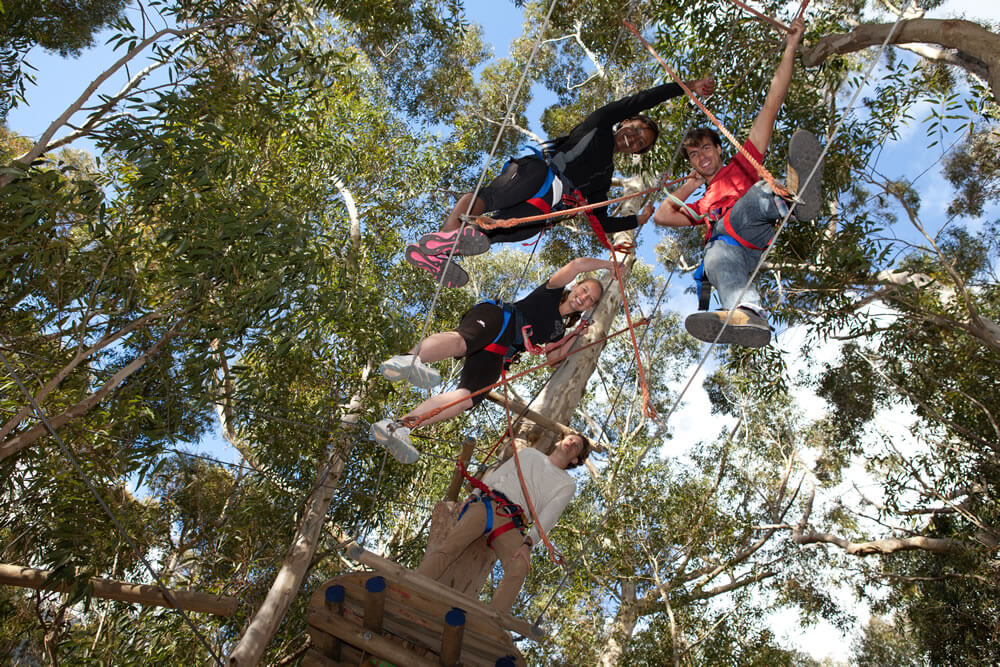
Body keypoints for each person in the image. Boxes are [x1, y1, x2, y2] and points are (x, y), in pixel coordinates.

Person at [405, 78, 716, 288]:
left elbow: (599, 219)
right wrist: (687, 87)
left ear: (635, 152)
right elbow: (644, 98)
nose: (633, 139)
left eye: (639, 143)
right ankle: (443, 236)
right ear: (625, 122)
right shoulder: (600, 123)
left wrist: (638, 219)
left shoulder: (604, 176)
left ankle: (437, 254)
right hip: (540, 171)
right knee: (492, 197)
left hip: (551, 208)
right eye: (634, 130)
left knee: (501, 231)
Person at [652, 16, 823, 348]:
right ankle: (749, 315)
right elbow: (662, 216)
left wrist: (790, 47)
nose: (701, 156)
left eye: (705, 148)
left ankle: (789, 198)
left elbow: (772, 103)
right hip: (734, 249)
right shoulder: (701, 205)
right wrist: (691, 182)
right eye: (693, 155)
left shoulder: (742, 163)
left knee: (758, 193)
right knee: (714, 258)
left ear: (718, 149)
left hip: (754, 220)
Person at [371, 257, 614, 463]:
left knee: (468, 397)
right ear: (575, 286)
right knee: (462, 342)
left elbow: (554, 359)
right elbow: (577, 264)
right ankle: (410, 359)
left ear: (589, 307)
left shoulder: (558, 330)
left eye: (590, 299)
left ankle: (400, 426)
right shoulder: (550, 292)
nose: (584, 297)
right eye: (584, 290)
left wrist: (575, 334)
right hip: (499, 318)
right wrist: (608, 265)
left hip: (501, 352)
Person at [417, 432, 591, 614]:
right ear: (558, 441)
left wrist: (528, 543)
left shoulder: (566, 484)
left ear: (575, 460)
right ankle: (415, 583)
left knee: (520, 567)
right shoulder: (529, 454)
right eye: (570, 439)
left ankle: (490, 623)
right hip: (488, 504)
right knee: (450, 546)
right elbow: (498, 475)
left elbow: (549, 515)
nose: (571, 444)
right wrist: (473, 495)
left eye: (576, 446)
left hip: (513, 524)